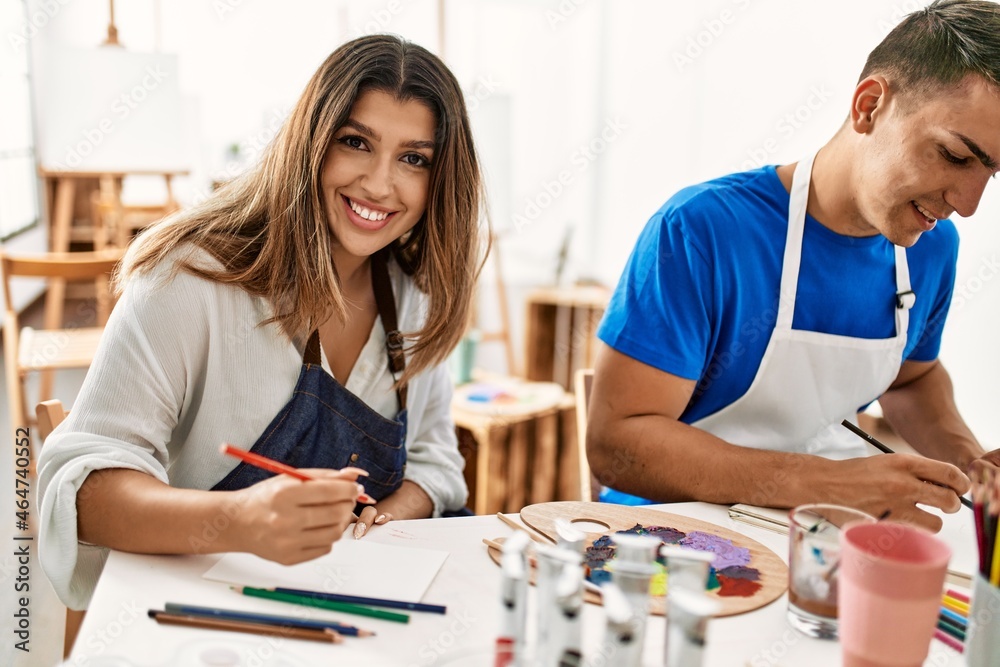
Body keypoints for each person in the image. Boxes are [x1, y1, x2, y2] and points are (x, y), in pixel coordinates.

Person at [37, 34, 485, 610]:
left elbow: (435, 461)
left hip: (345, 604)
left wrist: (388, 516)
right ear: (311, 144)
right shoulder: (189, 278)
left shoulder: (413, 298)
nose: (379, 183)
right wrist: (237, 520)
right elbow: (81, 493)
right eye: (355, 142)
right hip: (193, 616)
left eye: (413, 158)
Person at [587, 0, 1000, 531]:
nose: (967, 203)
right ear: (869, 106)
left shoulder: (930, 247)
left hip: (821, 538)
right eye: (954, 156)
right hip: (676, 538)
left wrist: (969, 464)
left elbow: (911, 381)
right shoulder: (704, 230)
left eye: (991, 173)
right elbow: (616, 444)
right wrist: (826, 482)